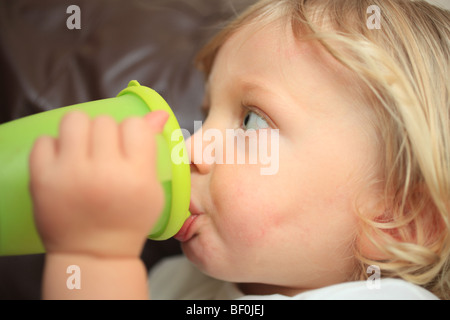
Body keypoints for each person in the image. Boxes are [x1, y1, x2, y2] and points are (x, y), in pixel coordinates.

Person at [29, 0, 450, 299]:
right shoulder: (174, 281)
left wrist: (94, 256)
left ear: (398, 219)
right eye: (206, 112)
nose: (192, 147)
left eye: (251, 119)